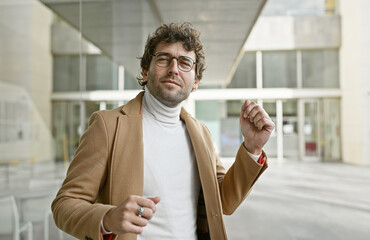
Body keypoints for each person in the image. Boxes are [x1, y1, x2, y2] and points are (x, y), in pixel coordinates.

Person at [52, 22, 275, 240]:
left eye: (185, 62)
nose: (174, 69)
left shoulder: (201, 133)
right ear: (145, 71)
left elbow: (223, 202)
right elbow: (65, 204)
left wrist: (252, 147)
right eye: (163, 59)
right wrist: (107, 218)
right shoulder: (107, 126)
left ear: (196, 81)